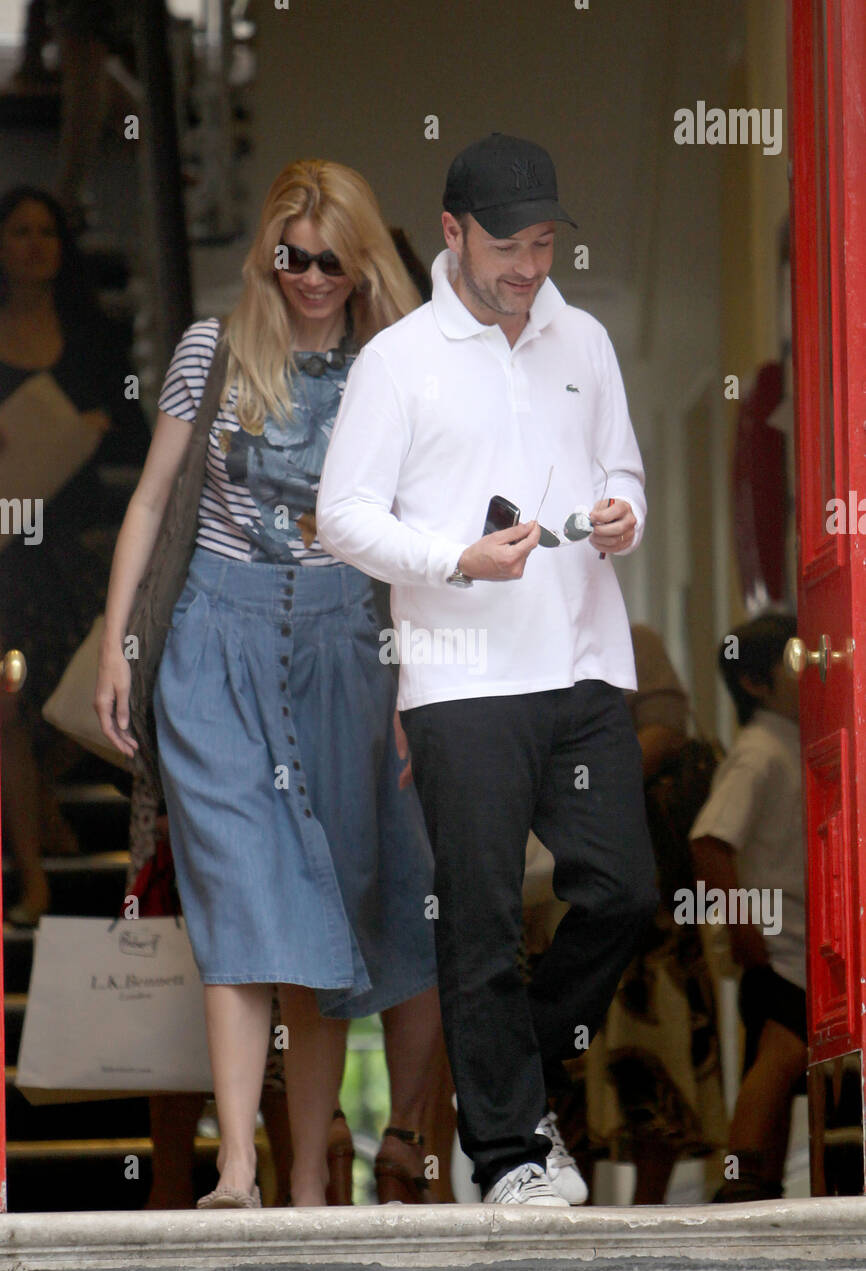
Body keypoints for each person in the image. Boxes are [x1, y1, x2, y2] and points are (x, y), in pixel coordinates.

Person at [317, 132, 658, 1206]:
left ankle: (517, 1062)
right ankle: (510, 1154)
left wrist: (621, 514)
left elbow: (621, 468)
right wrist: (451, 561)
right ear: (453, 233)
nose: (527, 266)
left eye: (544, 243)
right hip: (461, 682)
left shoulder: (584, 340)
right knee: (476, 922)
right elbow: (340, 518)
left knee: (621, 891)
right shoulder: (397, 361)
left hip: (583, 663)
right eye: (507, 245)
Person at [96, 159, 442, 1208]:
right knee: (240, 903)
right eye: (291, 256)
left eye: (332, 260)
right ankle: (237, 1166)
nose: (309, 277)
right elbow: (153, 500)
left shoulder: (395, 361)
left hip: (345, 642)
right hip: (213, 636)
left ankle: (302, 1173)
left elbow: (420, 531)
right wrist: (120, 641)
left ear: (362, 259)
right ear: (267, 253)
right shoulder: (212, 346)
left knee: (318, 914)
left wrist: (415, 682)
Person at [532, 626, 727, 1203]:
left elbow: (670, 726)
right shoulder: (504, 634)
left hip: (637, 887)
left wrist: (589, 791)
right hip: (545, 896)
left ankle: (650, 1204)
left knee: (654, 1040)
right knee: (561, 1050)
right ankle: (568, 1190)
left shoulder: (629, 636)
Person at [0, 185, 148, 926]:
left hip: (78, 541)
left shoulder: (91, 335)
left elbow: (137, 437)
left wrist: (92, 424)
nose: (35, 245)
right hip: (4, 542)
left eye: (47, 232)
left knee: (80, 702)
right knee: (5, 709)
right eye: (20, 231)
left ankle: (49, 805)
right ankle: (34, 878)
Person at [689, 612, 806, 1202]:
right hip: (775, 944)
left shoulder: (792, 746)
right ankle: (739, 1181)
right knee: (784, 1052)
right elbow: (710, 842)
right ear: (757, 684)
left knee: (782, 1056)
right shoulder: (759, 752)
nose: (813, 670)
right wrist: (743, 928)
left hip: (800, 946)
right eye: (796, 662)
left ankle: (763, 1183)